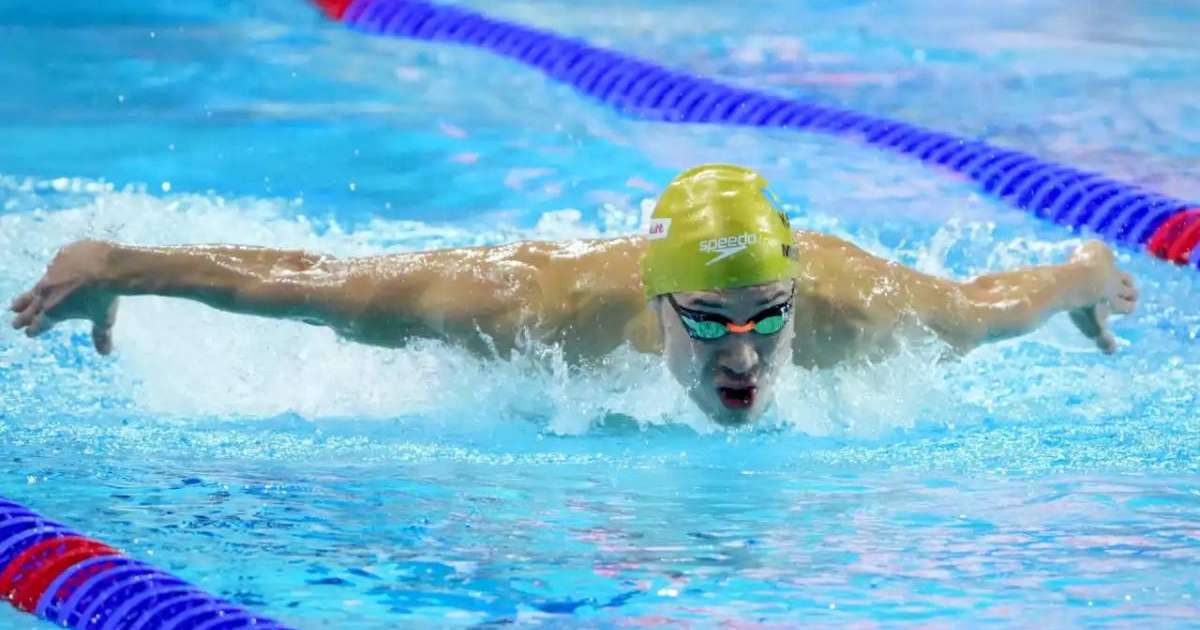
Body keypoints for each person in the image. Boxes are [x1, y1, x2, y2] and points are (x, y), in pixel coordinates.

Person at [8, 164, 1138, 426]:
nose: (745, 356)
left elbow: (1008, 297)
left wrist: (1089, 276)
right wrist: (121, 271)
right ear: (658, 305)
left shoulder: (868, 311)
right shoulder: (526, 311)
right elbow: (307, 285)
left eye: (766, 318)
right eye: (711, 322)